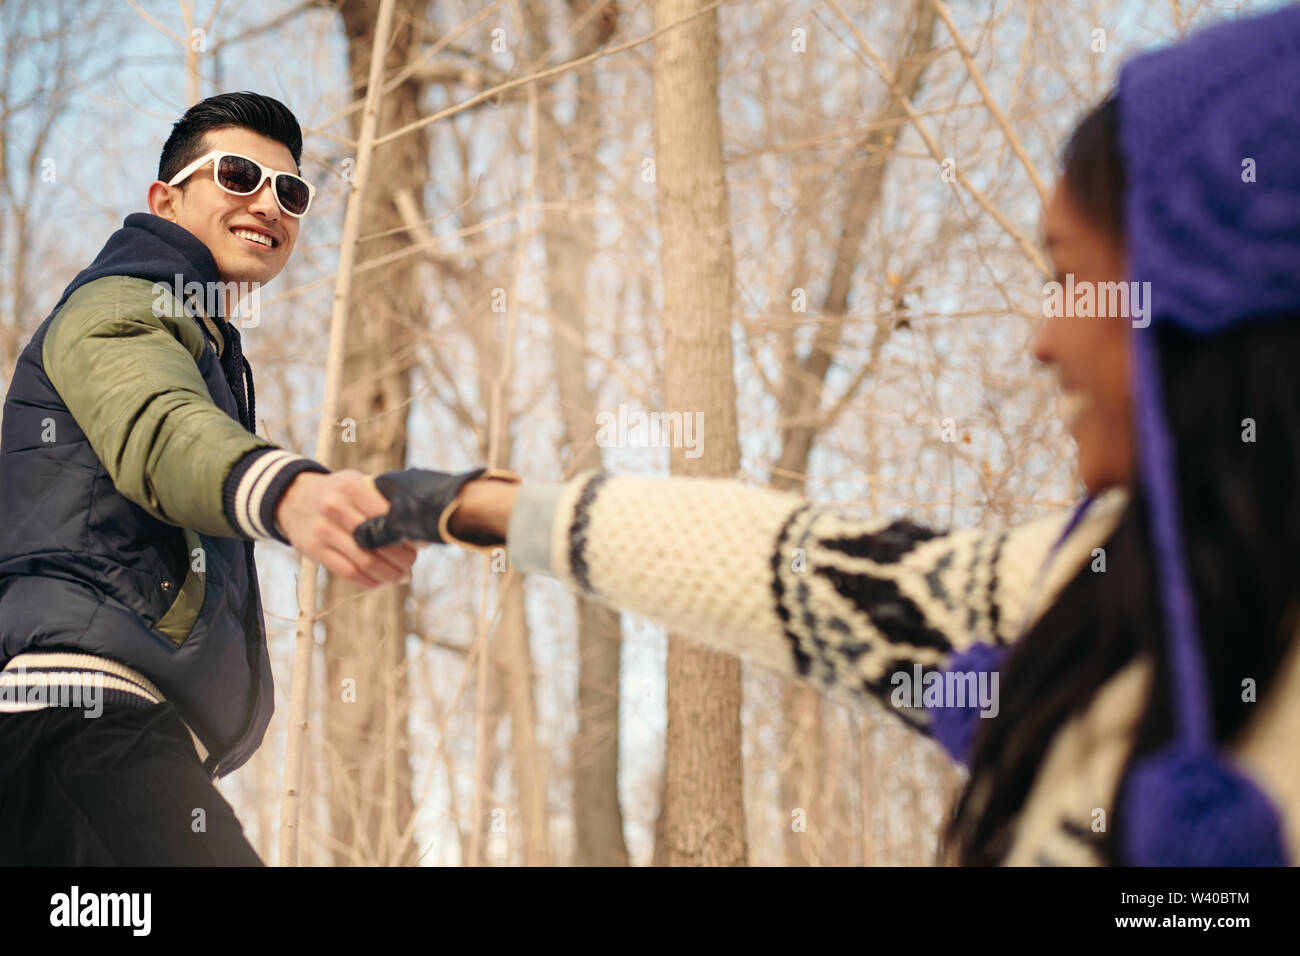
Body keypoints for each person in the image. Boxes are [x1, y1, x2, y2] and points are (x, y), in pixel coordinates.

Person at [356, 7, 1300, 866]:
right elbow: (805, 572)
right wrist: (485, 509)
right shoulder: (1107, 589)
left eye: (1069, 278)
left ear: (1216, 305)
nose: (1041, 342)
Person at [0, 92, 417, 865]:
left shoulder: (204, 340)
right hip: (82, 713)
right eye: (237, 174)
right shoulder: (119, 304)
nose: (269, 203)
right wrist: (287, 490)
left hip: (119, 730)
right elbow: (159, 428)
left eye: (290, 191)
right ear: (165, 198)